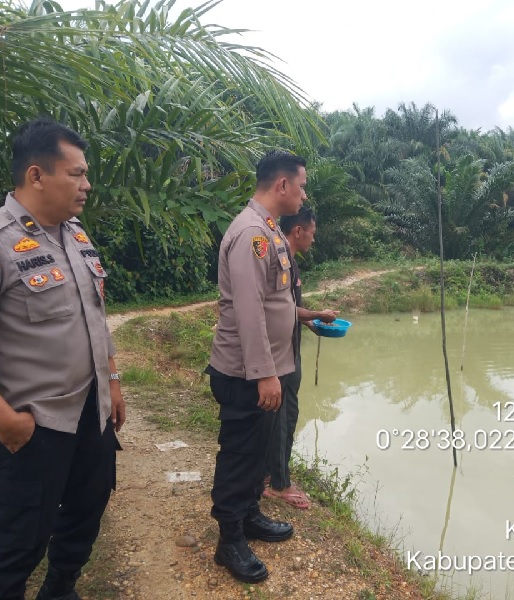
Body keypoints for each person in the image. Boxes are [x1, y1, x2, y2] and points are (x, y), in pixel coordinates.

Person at [0, 118, 124, 600]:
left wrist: (113, 381)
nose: (87, 185)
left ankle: (61, 589)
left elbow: (95, 316)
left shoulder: (76, 236)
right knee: (15, 545)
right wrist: (3, 420)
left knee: (85, 515)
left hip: (91, 412)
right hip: (33, 426)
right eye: (77, 173)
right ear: (36, 175)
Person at [205, 150, 307, 583]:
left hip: (268, 369)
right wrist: (265, 373)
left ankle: (249, 515)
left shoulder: (268, 231)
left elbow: (276, 302)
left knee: (255, 454)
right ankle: (229, 540)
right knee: (240, 454)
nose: (304, 193)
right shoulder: (252, 234)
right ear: (281, 185)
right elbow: (249, 310)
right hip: (246, 373)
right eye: (301, 184)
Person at [264, 206, 337, 509]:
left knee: (284, 417)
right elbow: (279, 309)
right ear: (299, 230)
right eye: (312, 233)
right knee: (283, 418)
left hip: (289, 352)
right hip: (280, 356)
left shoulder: (289, 261)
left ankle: (269, 474)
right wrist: (319, 313)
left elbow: (292, 311)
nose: (313, 239)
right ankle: (279, 484)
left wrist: (311, 323)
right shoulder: (280, 260)